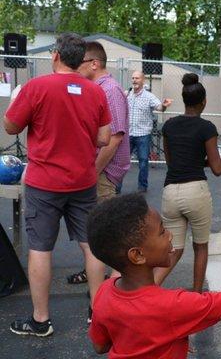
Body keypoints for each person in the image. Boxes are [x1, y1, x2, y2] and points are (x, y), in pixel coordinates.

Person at [87, 191, 221, 358]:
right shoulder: (173, 306)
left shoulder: (105, 291)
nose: (170, 235)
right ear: (138, 255)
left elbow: (100, 345)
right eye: (162, 232)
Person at [4, 33, 112, 336]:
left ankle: (40, 321)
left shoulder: (36, 87)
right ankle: (98, 313)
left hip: (44, 184)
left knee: (40, 248)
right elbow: (104, 138)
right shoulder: (95, 91)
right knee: (91, 246)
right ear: (81, 60)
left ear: (55, 56)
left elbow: (11, 125)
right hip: (83, 181)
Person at [153, 73, 221, 291]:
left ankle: (146, 291)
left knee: (175, 249)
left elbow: (174, 163)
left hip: (170, 192)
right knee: (200, 247)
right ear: (204, 102)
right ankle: (197, 296)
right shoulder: (206, 128)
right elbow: (217, 168)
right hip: (195, 192)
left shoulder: (169, 126)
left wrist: (196, 160)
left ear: (184, 100)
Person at [66, 41, 131, 288]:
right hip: (100, 171)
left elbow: (114, 138)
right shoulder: (99, 88)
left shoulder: (110, 90)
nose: (75, 67)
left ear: (94, 63)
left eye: (79, 63)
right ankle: (94, 273)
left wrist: (93, 172)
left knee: (108, 230)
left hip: (104, 173)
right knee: (95, 229)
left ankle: (114, 287)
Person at [127, 70, 172, 192]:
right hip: (129, 134)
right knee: (122, 162)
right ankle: (116, 187)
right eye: (133, 78)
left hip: (143, 135)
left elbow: (159, 108)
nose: (134, 80)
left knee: (143, 162)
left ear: (143, 80)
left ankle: (142, 187)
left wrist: (164, 105)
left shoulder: (149, 96)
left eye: (137, 78)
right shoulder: (127, 94)